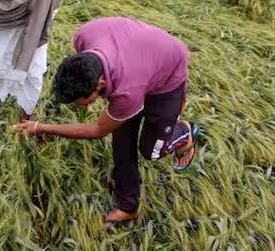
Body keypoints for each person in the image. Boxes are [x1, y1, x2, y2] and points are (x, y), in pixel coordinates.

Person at [14, 17, 199, 225]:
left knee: (151, 151)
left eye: (83, 102)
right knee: (122, 142)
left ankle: (184, 133)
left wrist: (40, 127)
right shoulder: (83, 37)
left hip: (167, 73)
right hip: (141, 59)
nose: (82, 107)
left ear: (100, 83)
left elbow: (98, 130)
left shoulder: (125, 92)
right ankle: (128, 207)